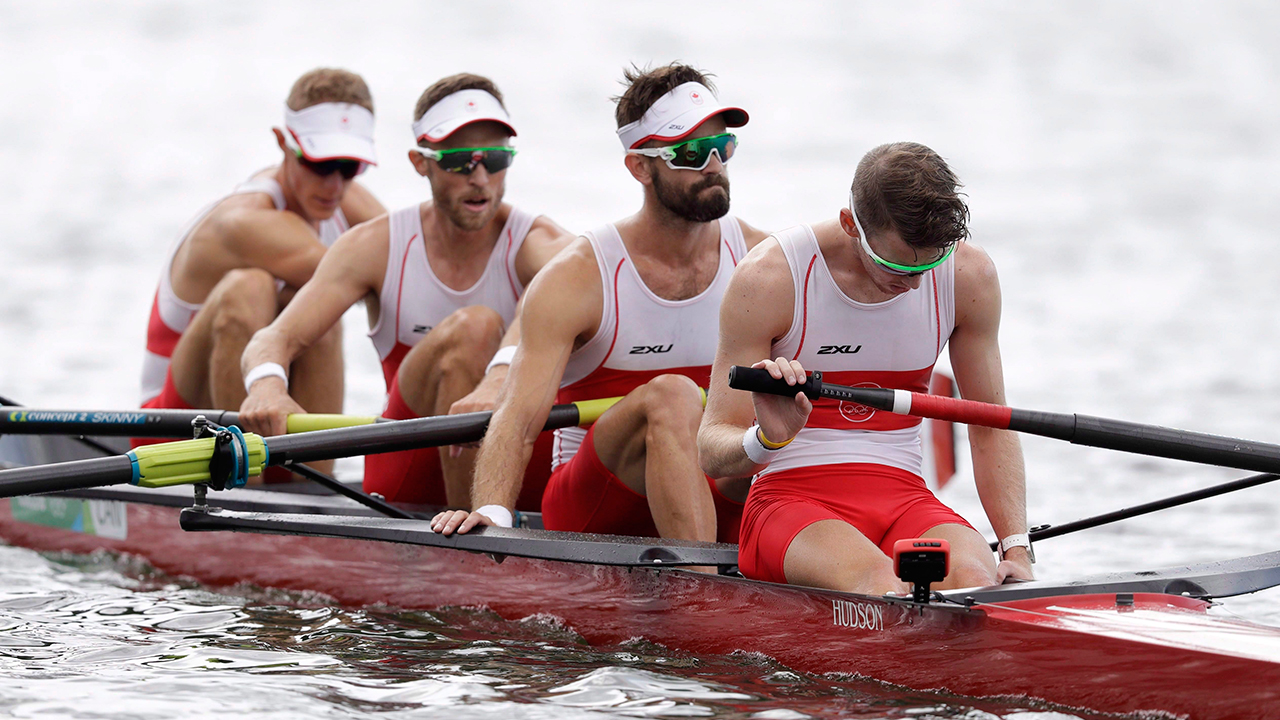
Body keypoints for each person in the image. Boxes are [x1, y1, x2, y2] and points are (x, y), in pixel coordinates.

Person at [432, 63, 767, 545]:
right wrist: (491, 514)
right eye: (691, 152)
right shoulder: (580, 275)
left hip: (717, 481)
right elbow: (517, 418)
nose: (713, 166)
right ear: (639, 166)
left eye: (723, 147)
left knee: (776, 424)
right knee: (672, 395)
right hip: (595, 505)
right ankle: (701, 587)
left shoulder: (761, 261)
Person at [697, 142, 1034, 593]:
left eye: (930, 264)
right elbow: (711, 448)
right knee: (879, 583)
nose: (914, 284)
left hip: (905, 498)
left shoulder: (969, 277)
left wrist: (1016, 549)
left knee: (976, 579)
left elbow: (989, 425)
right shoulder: (770, 278)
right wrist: (767, 438)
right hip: (789, 500)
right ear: (850, 225)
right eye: (895, 265)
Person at [238, 73, 572, 509]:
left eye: (494, 159)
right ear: (421, 163)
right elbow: (274, 338)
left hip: (514, 460)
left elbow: (568, 292)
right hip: (406, 469)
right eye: (459, 162)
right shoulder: (376, 246)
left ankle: (484, 531)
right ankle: (474, 547)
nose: (480, 178)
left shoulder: (542, 243)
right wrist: (266, 385)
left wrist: (498, 380)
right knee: (475, 326)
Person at [137, 67, 385, 479]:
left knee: (319, 315)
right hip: (172, 434)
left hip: (266, 415)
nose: (335, 184)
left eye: (349, 166)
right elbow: (374, 277)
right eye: (321, 163)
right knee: (254, 286)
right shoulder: (242, 221)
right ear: (282, 142)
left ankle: (315, 494)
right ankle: (248, 496)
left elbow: (415, 269)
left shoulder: (341, 197)